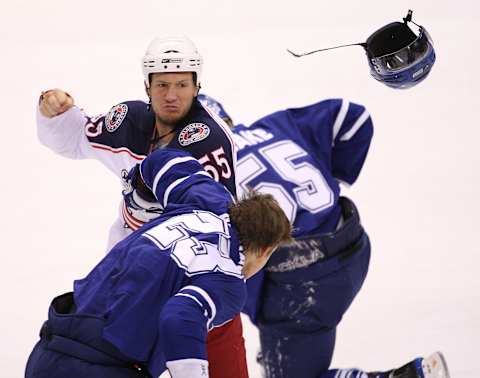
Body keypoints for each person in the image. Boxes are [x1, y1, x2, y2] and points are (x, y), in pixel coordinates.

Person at [197, 94, 450, 378]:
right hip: (351, 242)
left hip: (299, 284)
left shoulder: (201, 174)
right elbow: (352, 117)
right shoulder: (274, 126)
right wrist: (333, 179)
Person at [36, 35, 245, 378]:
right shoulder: (129, 122)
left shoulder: (207, 141)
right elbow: (74, 138)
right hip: (128, 278)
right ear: (147, 85)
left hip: (195, 280)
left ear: (197, 86)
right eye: (162, 84)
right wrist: (56, 113)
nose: (172, 95)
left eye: (181, 84)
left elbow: (223, 224)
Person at [25, 148, 293, 378]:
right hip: (106, 368)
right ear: (266, 249)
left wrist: (139, 191)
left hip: (51, 347)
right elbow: (180, 317)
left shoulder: (208, 198)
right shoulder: (226, 280)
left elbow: (165, 160)